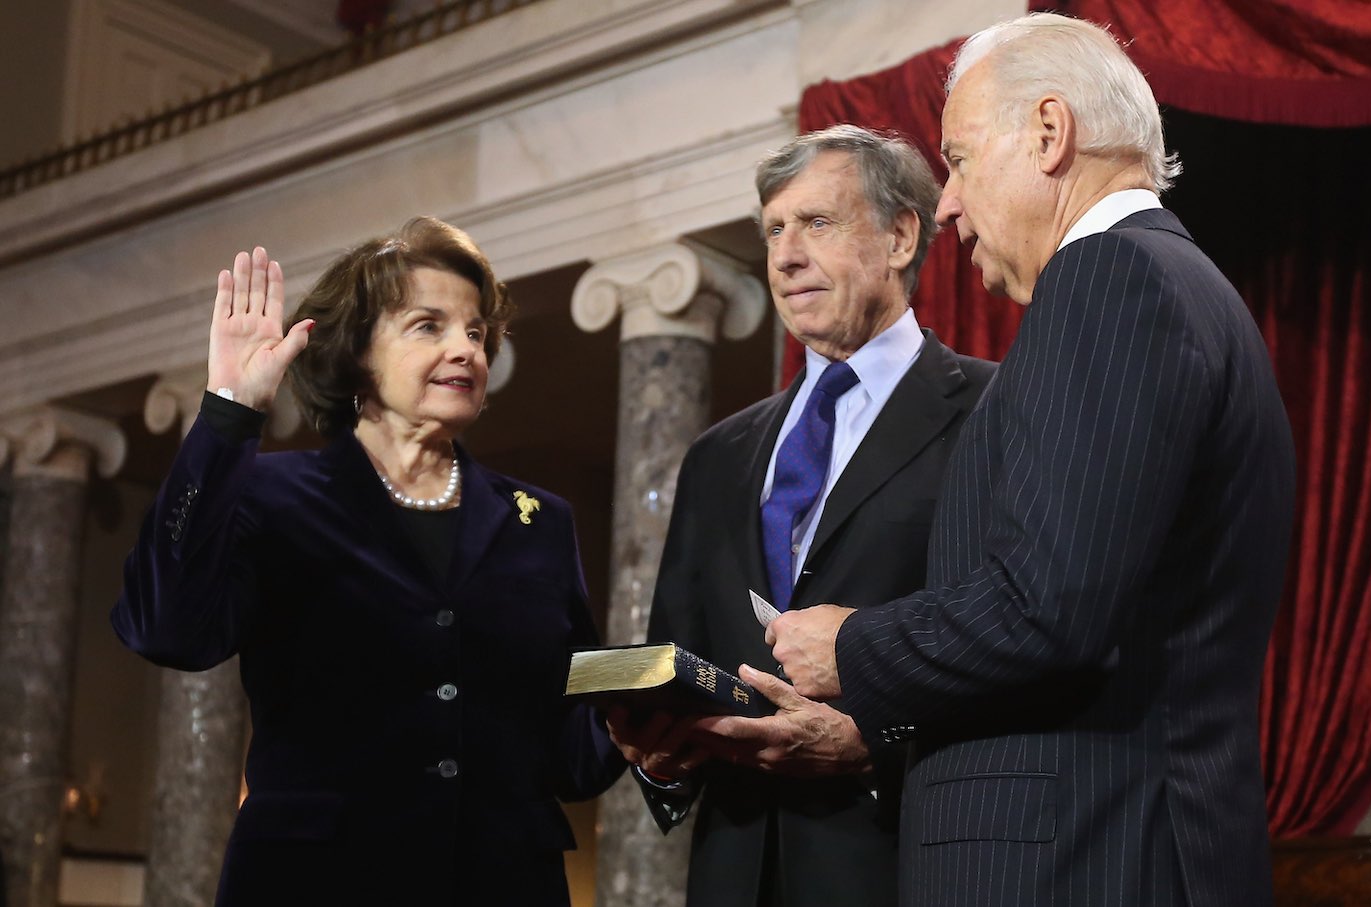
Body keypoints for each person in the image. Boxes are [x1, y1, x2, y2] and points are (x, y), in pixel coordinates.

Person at [735, 13, 1297, 907]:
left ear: (1048, 133)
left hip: (1082, 860)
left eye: (958, 159)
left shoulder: (1111, 279)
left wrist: (854, 642)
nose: (949, 202)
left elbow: (1052, 609)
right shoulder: (1177, 282)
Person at [112, 217, 626, 907]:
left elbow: (569, 748)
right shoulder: (272, 497)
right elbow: (166, 627)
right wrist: (229, 413)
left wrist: (651, 718)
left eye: (476, 332)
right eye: (428, 325)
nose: (466, 350)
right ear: (355, 351)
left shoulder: (540, 521)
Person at [608, 125, 995, 907]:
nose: (785, 255)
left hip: (900, 866)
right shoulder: (717, 454)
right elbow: (677, 648)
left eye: (816, 223)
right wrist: (659, 751)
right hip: (735, 870)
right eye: (774, 229)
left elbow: (1014, 640)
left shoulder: (996, 411)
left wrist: (868, 747)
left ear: (898, 235)